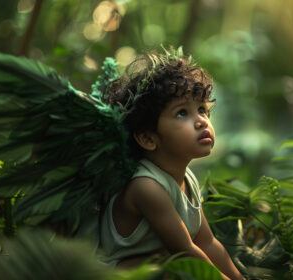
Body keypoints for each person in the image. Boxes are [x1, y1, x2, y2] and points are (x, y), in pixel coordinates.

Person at [98, 49, 245, 280]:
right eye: (181, 113)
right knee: (172, 268)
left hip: (153, 268)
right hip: (110, 274)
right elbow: (186, 252)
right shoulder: (146, 187)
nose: (200, 121)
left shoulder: (188, 179)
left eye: (202, 110)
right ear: (148, 138)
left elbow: (206, 242)